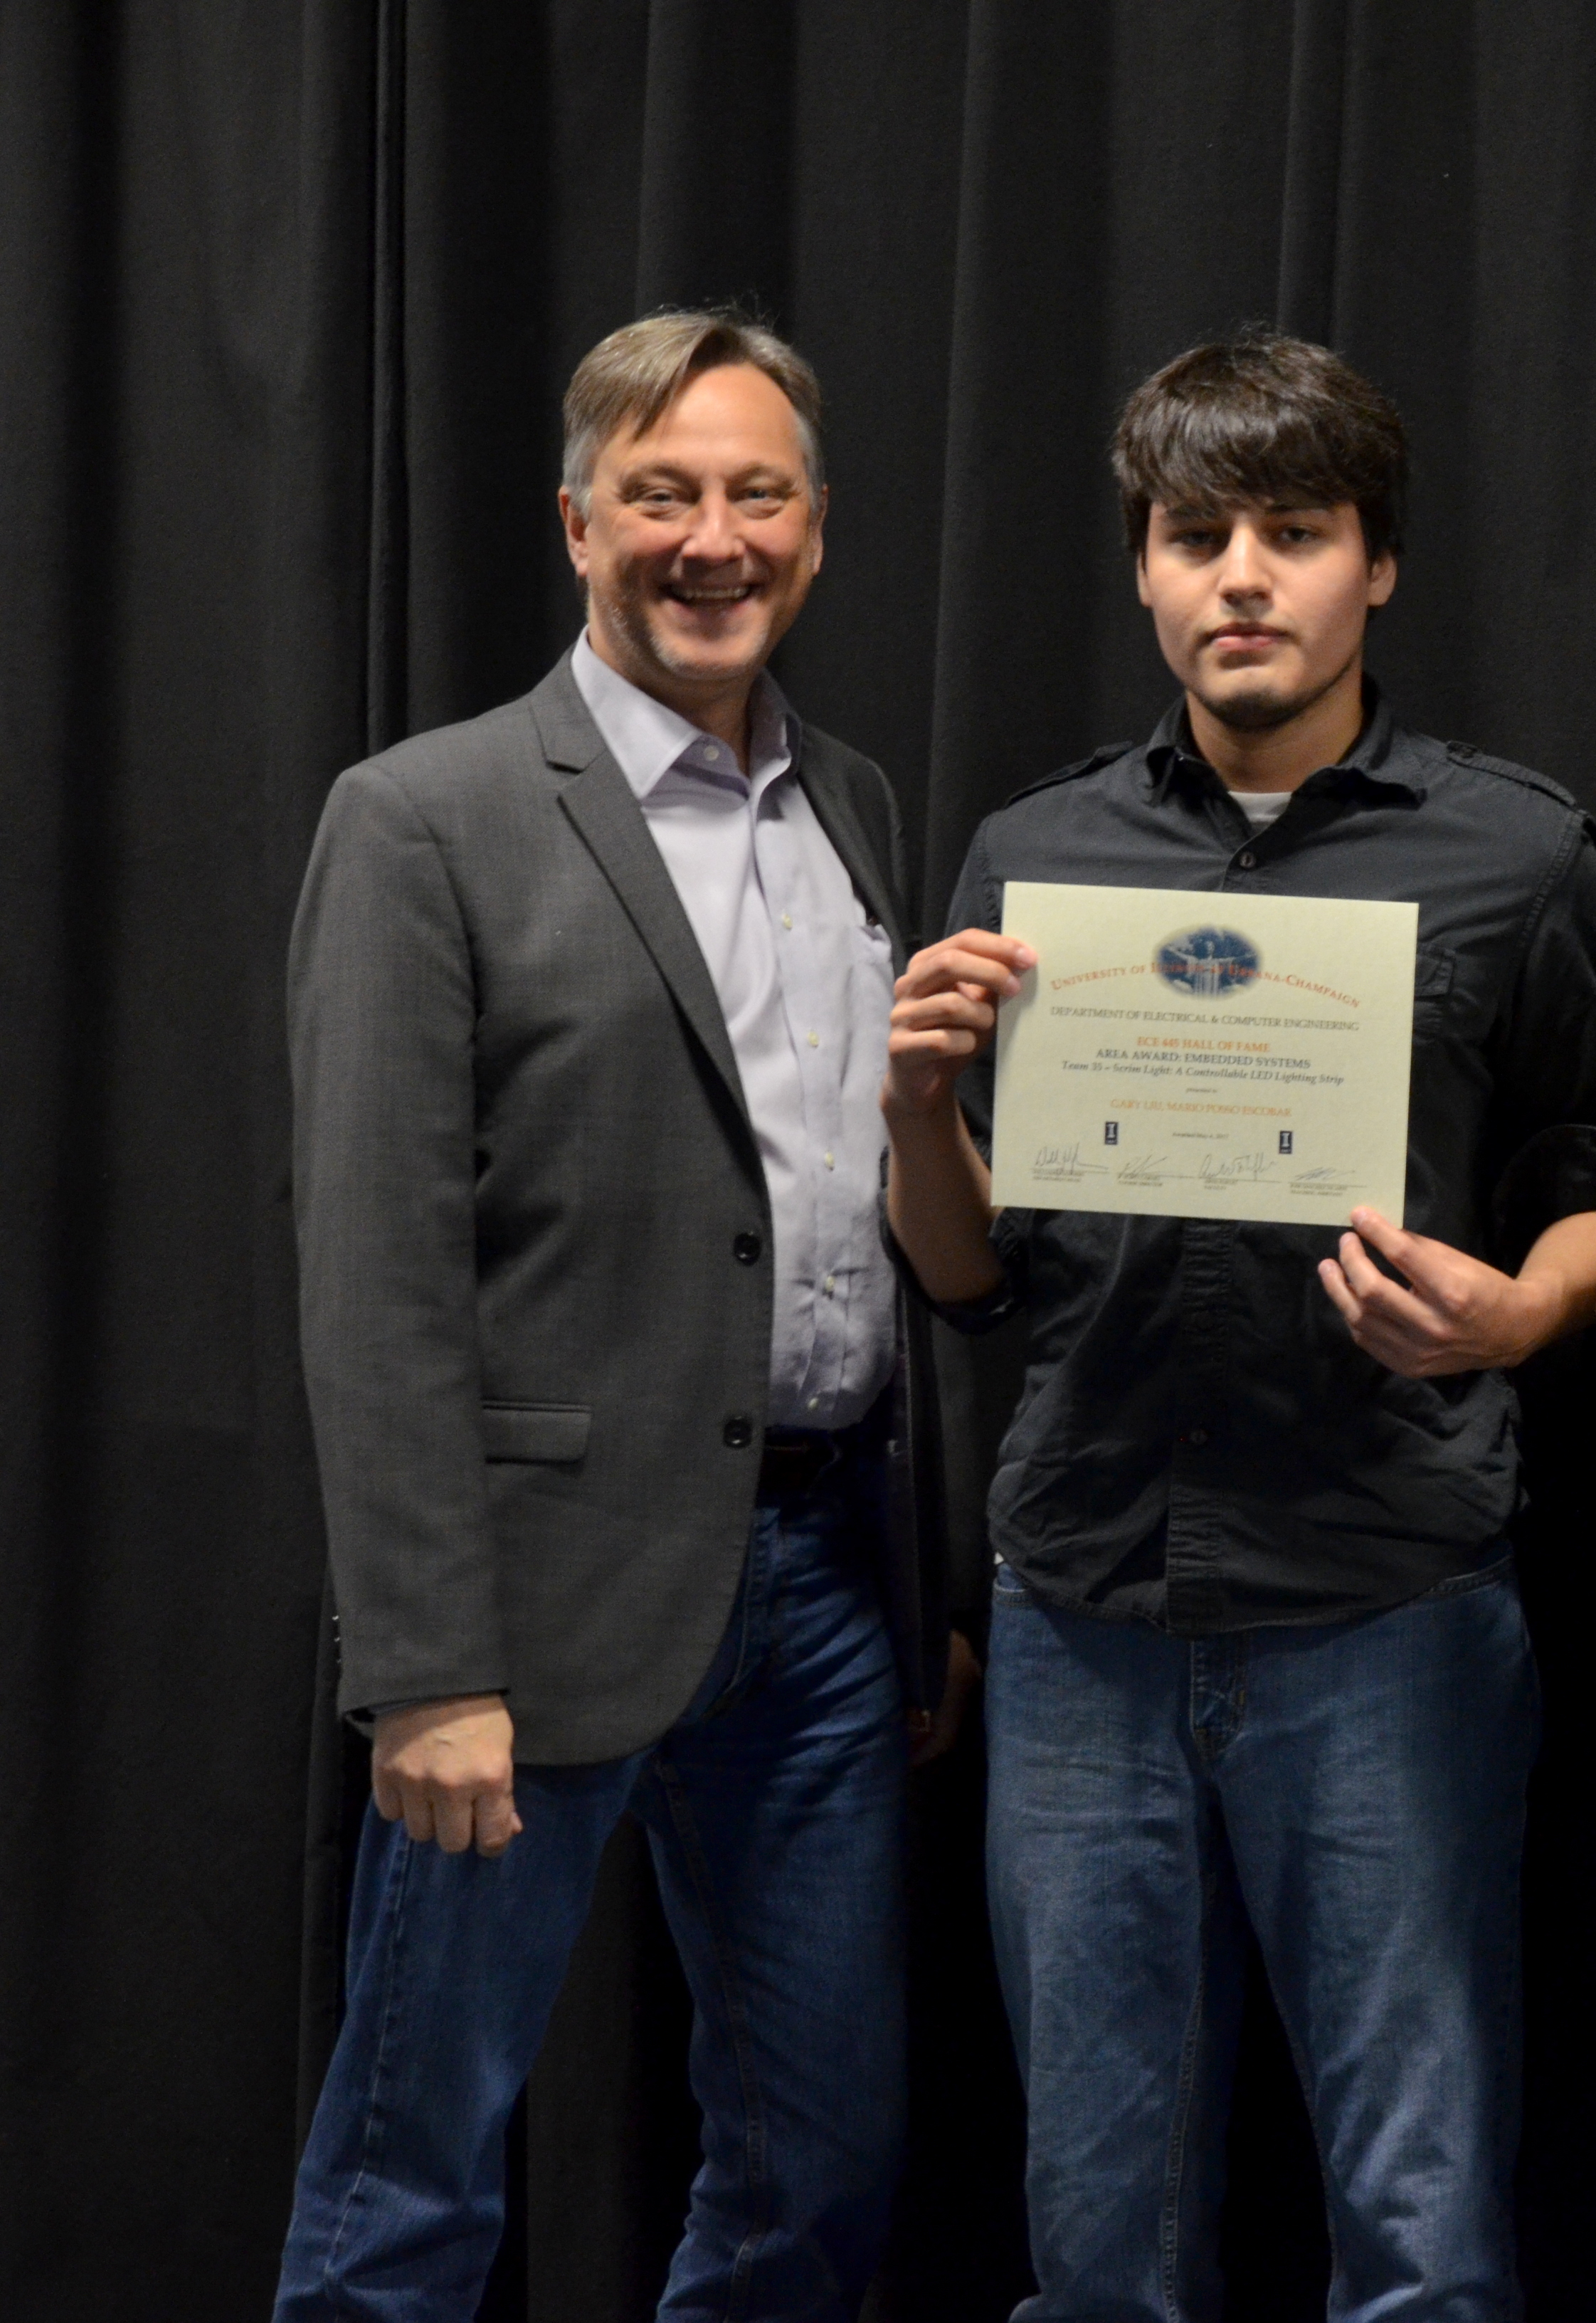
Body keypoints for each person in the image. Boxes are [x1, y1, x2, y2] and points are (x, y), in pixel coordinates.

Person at [882, 330, 1596, 2322]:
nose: (1241, 576)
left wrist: (1518, 1313)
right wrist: (911, 1110)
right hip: (1083, 1617)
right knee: (1099, 2254)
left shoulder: (1518, 852)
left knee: (1421, 2242)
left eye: (1294, 533)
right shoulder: (1036, 860)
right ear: (1140, 567)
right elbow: (965, 1283)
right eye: (1196, 533)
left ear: (1377, 567)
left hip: (1387, 1606)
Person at [277, 310, 971, 2321]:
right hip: (537, 1595)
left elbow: (846, 1210)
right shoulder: (427, 818)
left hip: (831, 1589)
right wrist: (424, 1663)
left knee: (815, 2165)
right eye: (661, 494)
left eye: (757, 493)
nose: (712, 536)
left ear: (817, 535)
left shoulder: (853, 800)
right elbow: (376, 1272)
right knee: (416, 2169)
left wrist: (917, 1564)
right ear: (579, 525)